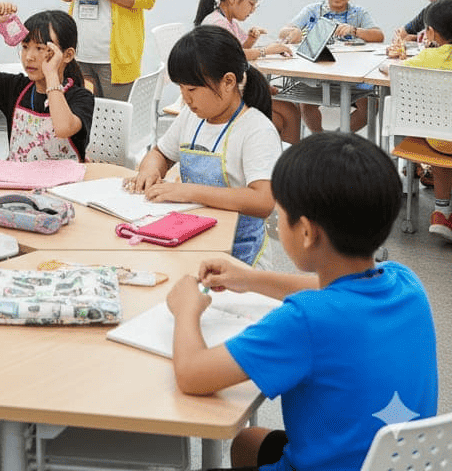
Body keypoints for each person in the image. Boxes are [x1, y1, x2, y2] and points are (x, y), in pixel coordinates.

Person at [166, 133, 437, 471]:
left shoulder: (305, 320)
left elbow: (192, 375)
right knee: (248, 442)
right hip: (399, 463)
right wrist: (250, 279)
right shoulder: (407, 283)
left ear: (307, 233)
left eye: (279, 216)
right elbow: (331, 290)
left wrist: (186, 310)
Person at [127, 26, 281, 266]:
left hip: (240, 256)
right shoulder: (192, 117)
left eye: (192, 89)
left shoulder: (256, 130)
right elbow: (160, 153)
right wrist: (150, 170)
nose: (185, 98)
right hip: (192, 240)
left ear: (228, 81)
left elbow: (263, 201)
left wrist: (189, 192)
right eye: (180, 88)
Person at [0, 2, 94, 161]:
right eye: (25, 47)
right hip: (19, 176)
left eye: (40, 48)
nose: (29, 57)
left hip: (65, 178)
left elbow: (62, 128)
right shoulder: (15, 87)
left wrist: (51, 74)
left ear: (67, 55)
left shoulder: (81, 97)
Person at [278, 0, 384, 133]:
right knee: (305, 103)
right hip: (317, 75)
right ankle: (319, 137)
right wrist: (293, 32)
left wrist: (354, 30)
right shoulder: (313, 10)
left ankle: (337, 137)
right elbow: (283, 31)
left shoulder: (358, 13)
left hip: (352, 76)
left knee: (371, 106)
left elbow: (378, 36)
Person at [195, 0, 300, 144]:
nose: (252, 10)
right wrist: (267, 50)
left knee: (288, 112)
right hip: (220, 97)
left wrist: (251, 40)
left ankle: (285, 158)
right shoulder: (217, 23)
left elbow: (236, 52)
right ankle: (289, 161)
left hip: (228, 91)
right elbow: (236, 56)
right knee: (288, 114)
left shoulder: (227, 21)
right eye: (251, 4)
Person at [387, 0, 452, 240]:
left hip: (439, 141)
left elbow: (393, 70)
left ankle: (442, 212)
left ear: (431, 33)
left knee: (443, 135)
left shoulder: (428, 58)